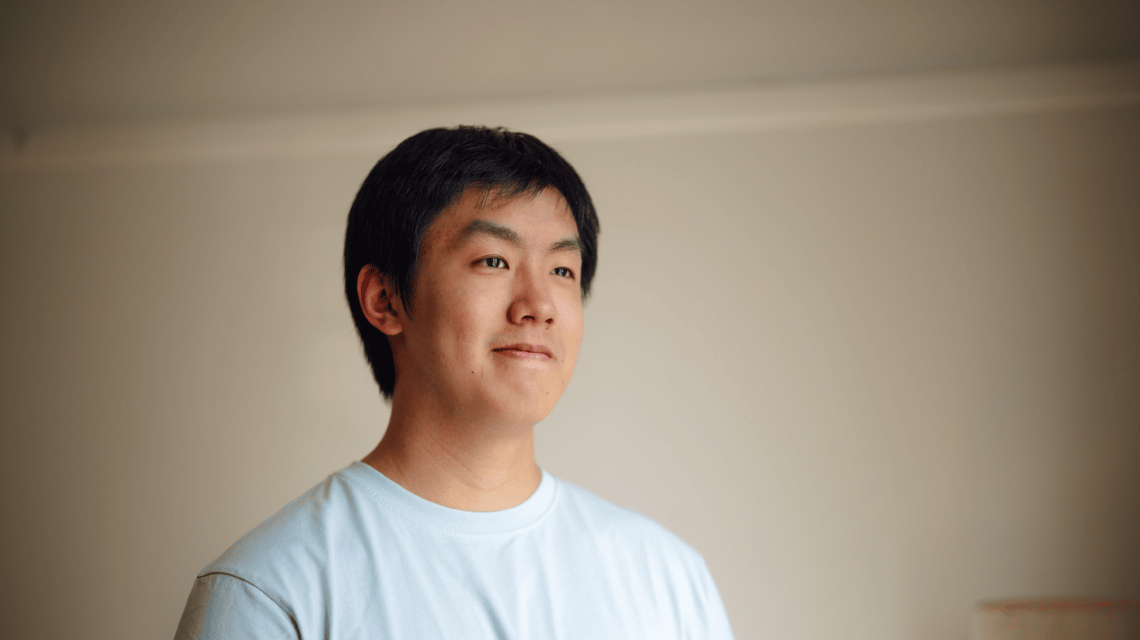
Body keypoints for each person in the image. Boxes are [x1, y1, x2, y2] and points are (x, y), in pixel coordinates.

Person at [174, 125, 735, 639]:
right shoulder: (270, 592)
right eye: (493, 260)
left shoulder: (668, 579)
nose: (538, 305)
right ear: (385, 299)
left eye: (563, 270)